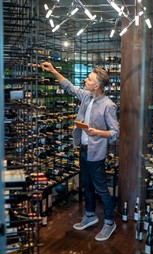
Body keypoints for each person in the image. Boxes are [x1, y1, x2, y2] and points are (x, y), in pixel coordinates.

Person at [41, 61, 119, 241]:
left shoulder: (108, 105)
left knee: (101, 188)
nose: (85, 80)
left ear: (97, 85)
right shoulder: (86, 96)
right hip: (83, 150)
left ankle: (109, 223)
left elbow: (115, 133)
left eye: (89, 79)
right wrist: (53, 70)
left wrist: (97, 132)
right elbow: (69, 86)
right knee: (87, 185)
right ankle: (90, 216)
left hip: (96, 154)